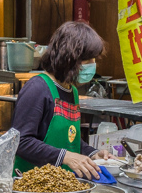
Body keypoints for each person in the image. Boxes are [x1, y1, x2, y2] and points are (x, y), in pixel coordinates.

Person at [12, 21, 111, 179]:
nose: (93, 65)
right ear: (69, 58)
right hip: (31, 183)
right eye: (88, 60)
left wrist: (91, 153)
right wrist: (66, 157)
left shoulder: (73, 92)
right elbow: (21, 141)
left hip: (59, 182)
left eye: (94, 60)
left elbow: (68, 139)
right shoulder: (37, 88)